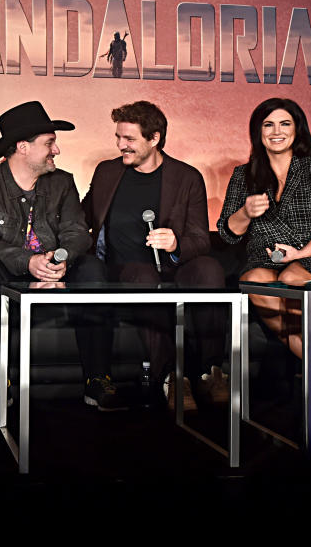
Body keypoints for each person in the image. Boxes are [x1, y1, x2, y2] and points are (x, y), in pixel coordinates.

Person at [0, 101, 122, 412]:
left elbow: (77, 231)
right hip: (8, 270)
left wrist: (63, 257)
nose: (57, 150)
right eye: (49, 143)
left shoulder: (62, 182)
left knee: (91, 268)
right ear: (23, 147)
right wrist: (27, 261)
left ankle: (98, 379)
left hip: (55, 268)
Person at [83, 100, 227, 411]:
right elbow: (82, 219)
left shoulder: (187, 177)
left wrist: (177, 244)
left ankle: (212, 371)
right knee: (145, 276)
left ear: (154, 138)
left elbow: (201, 240)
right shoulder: (107, 172)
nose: (122, 145)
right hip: (124, 271)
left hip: (173, 268)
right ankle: (170, 377)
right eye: (119, 138)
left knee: (210, 270)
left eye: (130, 139)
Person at [217, 98, 311, 359]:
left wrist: (299, 255)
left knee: (290, 279)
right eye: (268, 125)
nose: (276, 132)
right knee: (254, 281)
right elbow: (227, 233)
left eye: (284, 124)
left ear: (297, 129)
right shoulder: (243, 174)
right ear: (258, 132)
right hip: (264, 259)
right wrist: (245, 213)